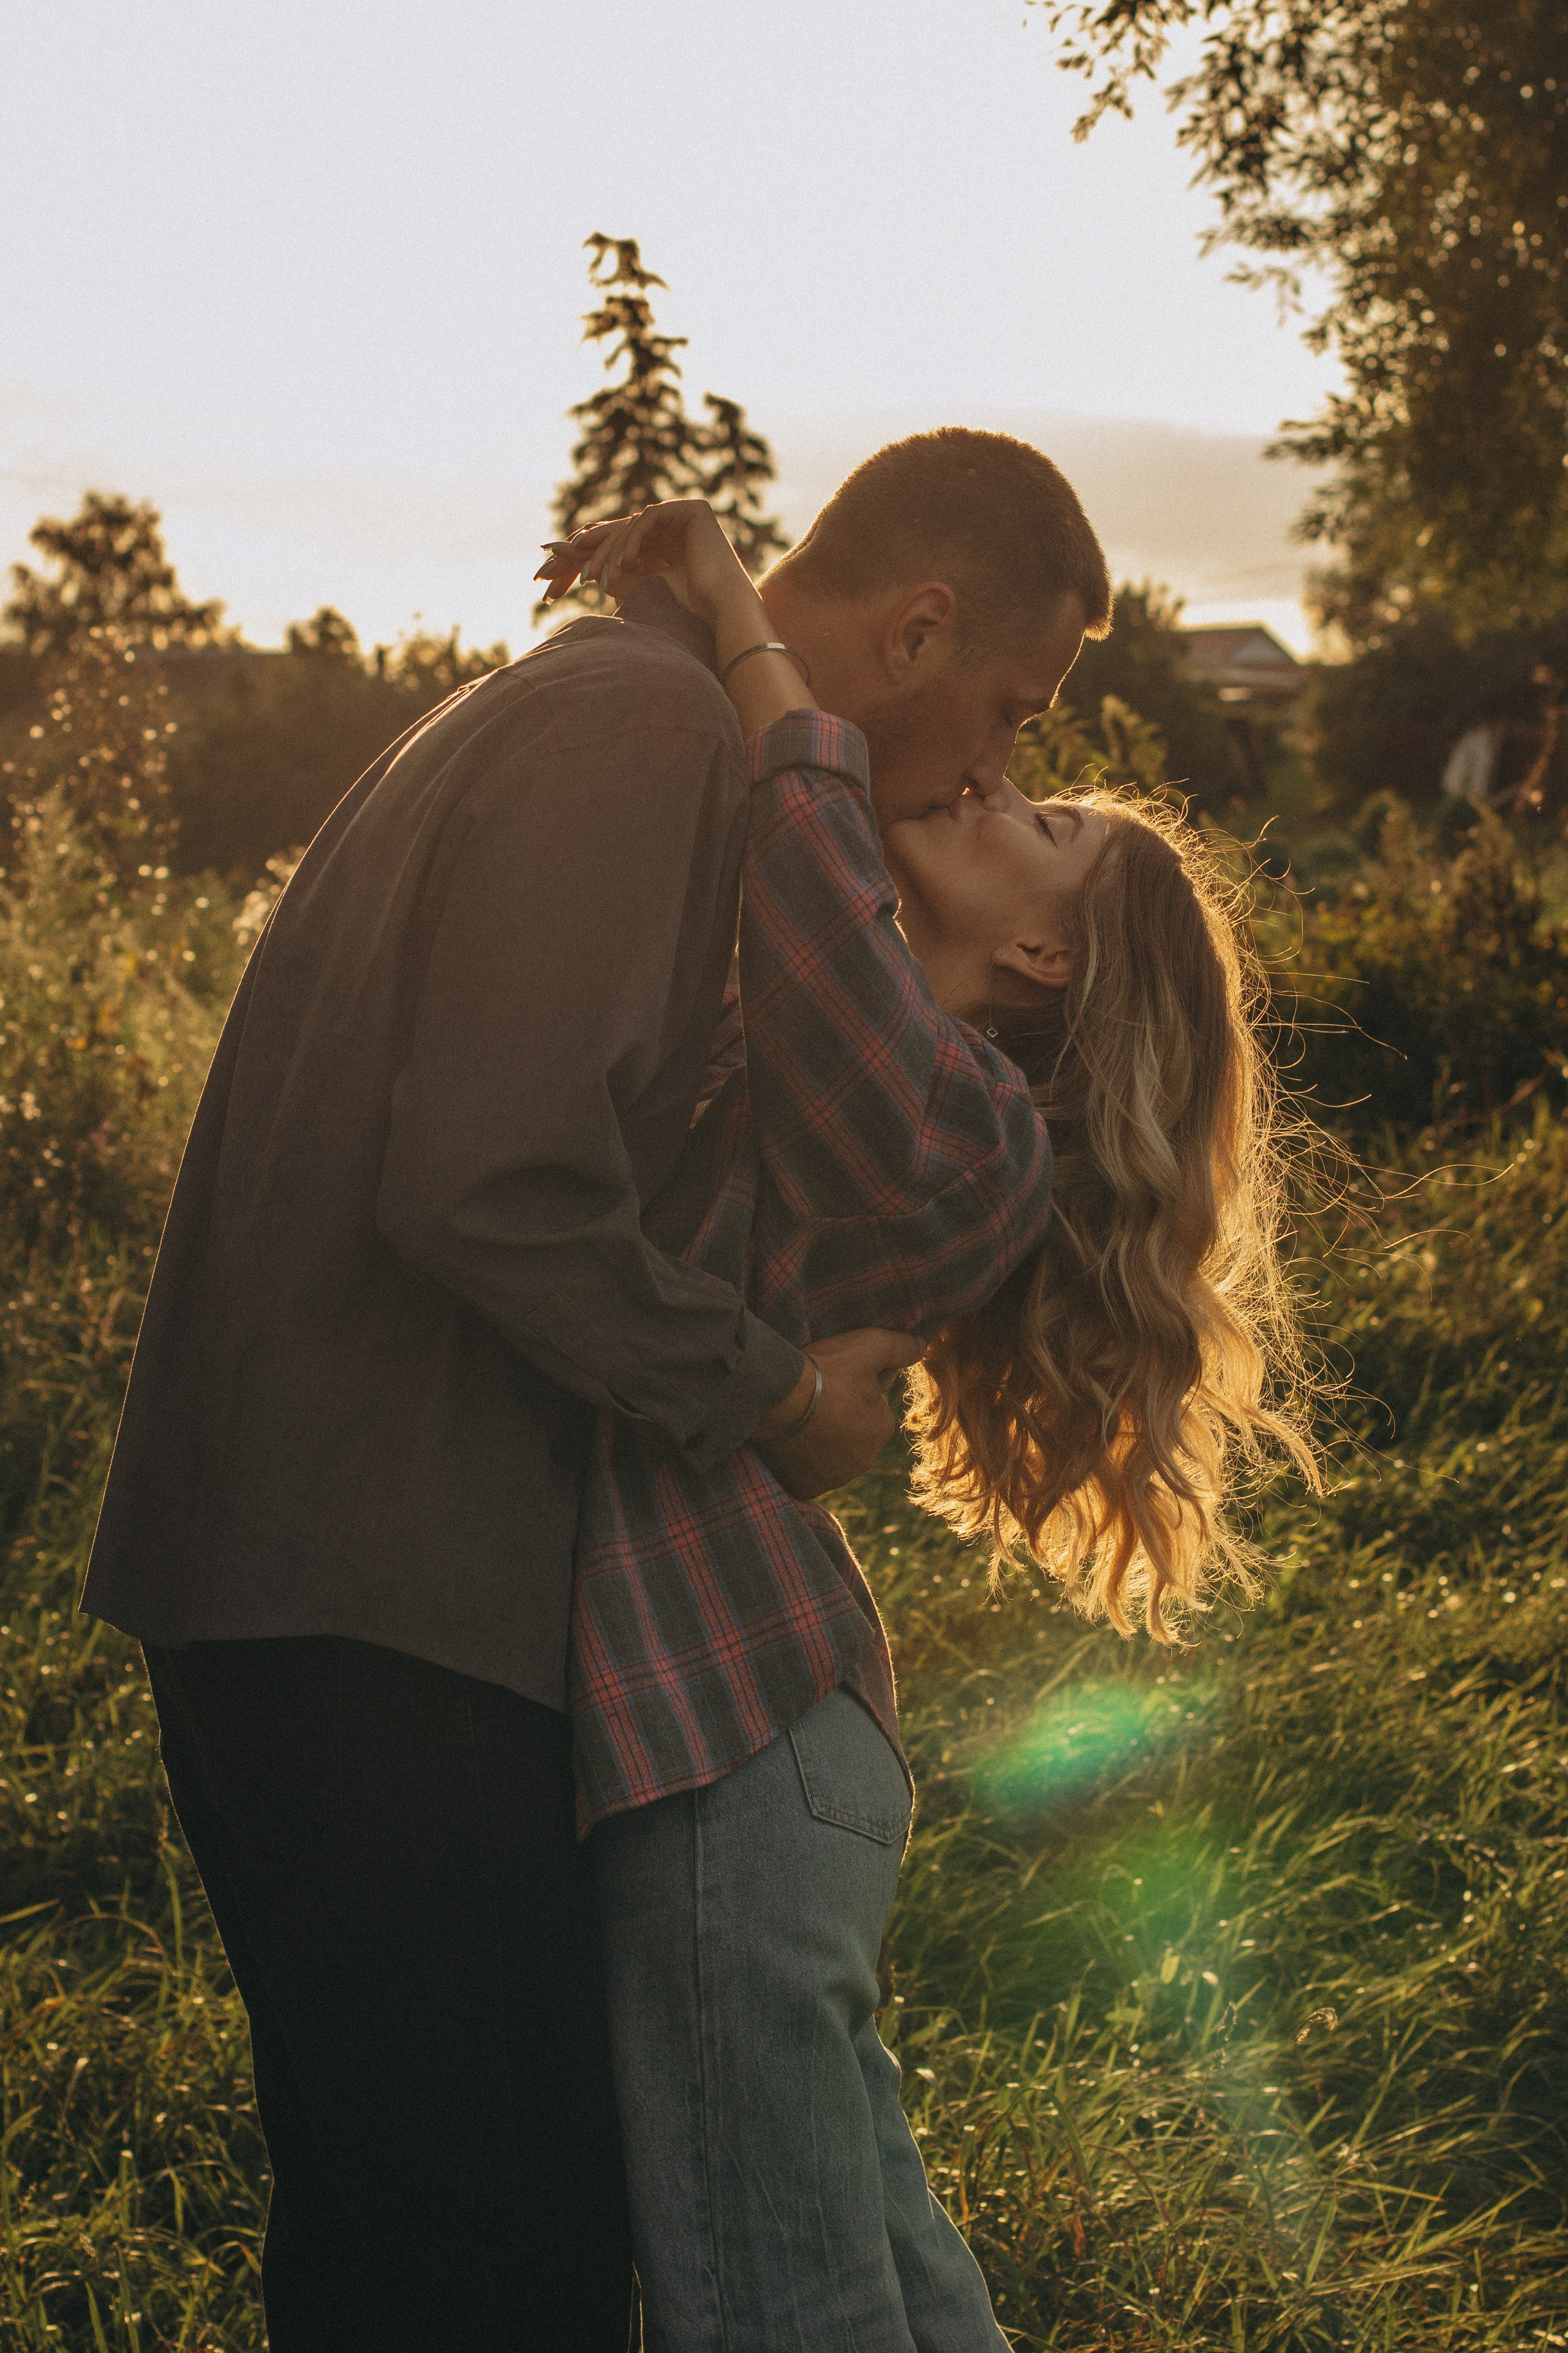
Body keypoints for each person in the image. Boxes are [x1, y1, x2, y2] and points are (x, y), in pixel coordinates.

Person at [78, 426, 1122, 2350]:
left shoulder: (620, 711)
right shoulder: (646, 740)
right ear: (917, 626)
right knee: (496, 2261)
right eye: (1012, 708)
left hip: (337, 1569)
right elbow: (496, 1173)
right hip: (379, 1586)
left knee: (414, 2235)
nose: (1000, 764)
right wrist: (770, 1398)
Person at [533, 479, 1317, 2351]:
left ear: (1048, 963)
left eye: (1036, 822)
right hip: (753, 1750)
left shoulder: (973, 1146)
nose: (988, 789)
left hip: (734, 1760)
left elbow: (808, 877)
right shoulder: (862, 1060)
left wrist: (741, 612)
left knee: (776, 2304)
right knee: (879, 2279)